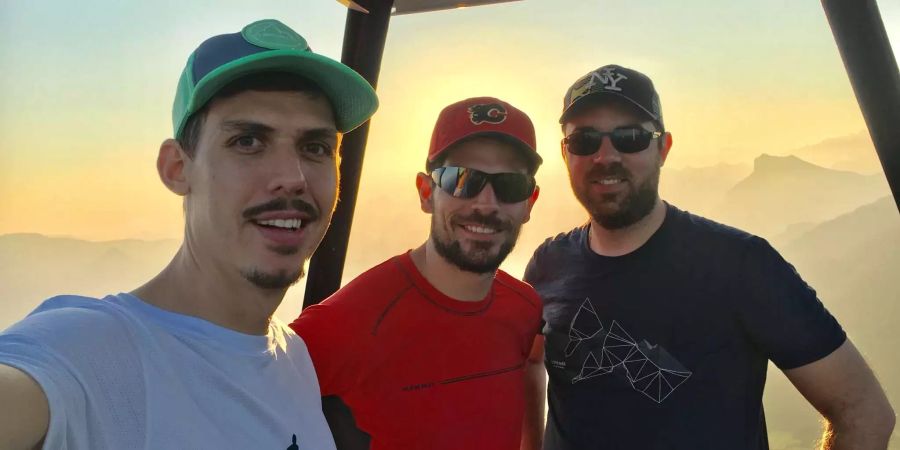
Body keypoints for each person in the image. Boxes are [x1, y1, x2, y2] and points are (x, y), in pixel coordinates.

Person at [0, 19, 378, 449]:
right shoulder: (89, 356)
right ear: (178, 168)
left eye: (315, 148)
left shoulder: (292, 358)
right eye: (249, 141)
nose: (292, 178)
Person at [523, 64, 895, 449]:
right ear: (565, 154)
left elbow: (865, 412)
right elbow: (529, 362)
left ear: (662, 148)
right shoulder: (547, 266)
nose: (605, 156)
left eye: (630, 137)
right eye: (584, 141)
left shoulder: (741, 265)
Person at [291, 97, 546, 450]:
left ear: (529, 203)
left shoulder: (525, 307)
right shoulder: (339, 326)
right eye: (462, 179)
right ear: (427, 193)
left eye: (510, 186)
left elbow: (530, 368)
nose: (486, 204)